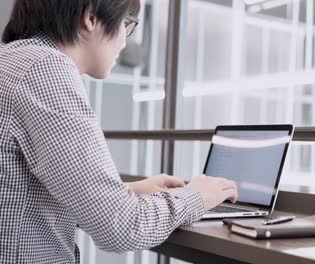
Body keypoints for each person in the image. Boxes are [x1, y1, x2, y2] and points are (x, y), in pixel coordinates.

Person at [0, 0, 238, 263]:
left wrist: (130, 191)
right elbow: (120, 227)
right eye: (127, 24)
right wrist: (197, 196)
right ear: (90, 17)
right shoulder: (44, 70)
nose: (125, 42)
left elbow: (26, 192)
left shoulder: (12, 62)